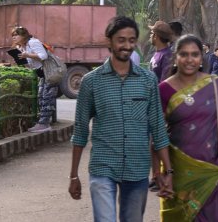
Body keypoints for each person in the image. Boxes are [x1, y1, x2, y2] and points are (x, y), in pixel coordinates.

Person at [68, 16, 173, 221]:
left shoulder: (148, 80)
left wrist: (166, 171)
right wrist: (73, 175)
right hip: (103, 167)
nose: (127, 45)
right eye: (121, 40)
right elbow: (80, 131)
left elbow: (158, 130)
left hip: (137, 168)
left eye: (131, 40)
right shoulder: (91, 82)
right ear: (109, 41)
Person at [159, 35, 218, 221]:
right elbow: (157, 134)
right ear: (175, 57)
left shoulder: (214, 84)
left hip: (209, 169)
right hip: (178, 172)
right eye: (184, 54)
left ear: (201, 58)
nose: (190, 59)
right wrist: (160, 173)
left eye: (195, 54)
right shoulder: (164, 90)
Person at [11, 26, 59, 133]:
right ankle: (43, 123)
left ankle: (44, 124)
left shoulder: (33, 42)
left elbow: (43, 56)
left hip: (49, 73)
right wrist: (21, 59)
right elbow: (31, 64)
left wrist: (27, 55)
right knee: (41, 98)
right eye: (12, 36)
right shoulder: (24, 47)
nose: (14, 38)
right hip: (42, 74)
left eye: (16, 35)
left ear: (24, 35)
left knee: (46, 98)